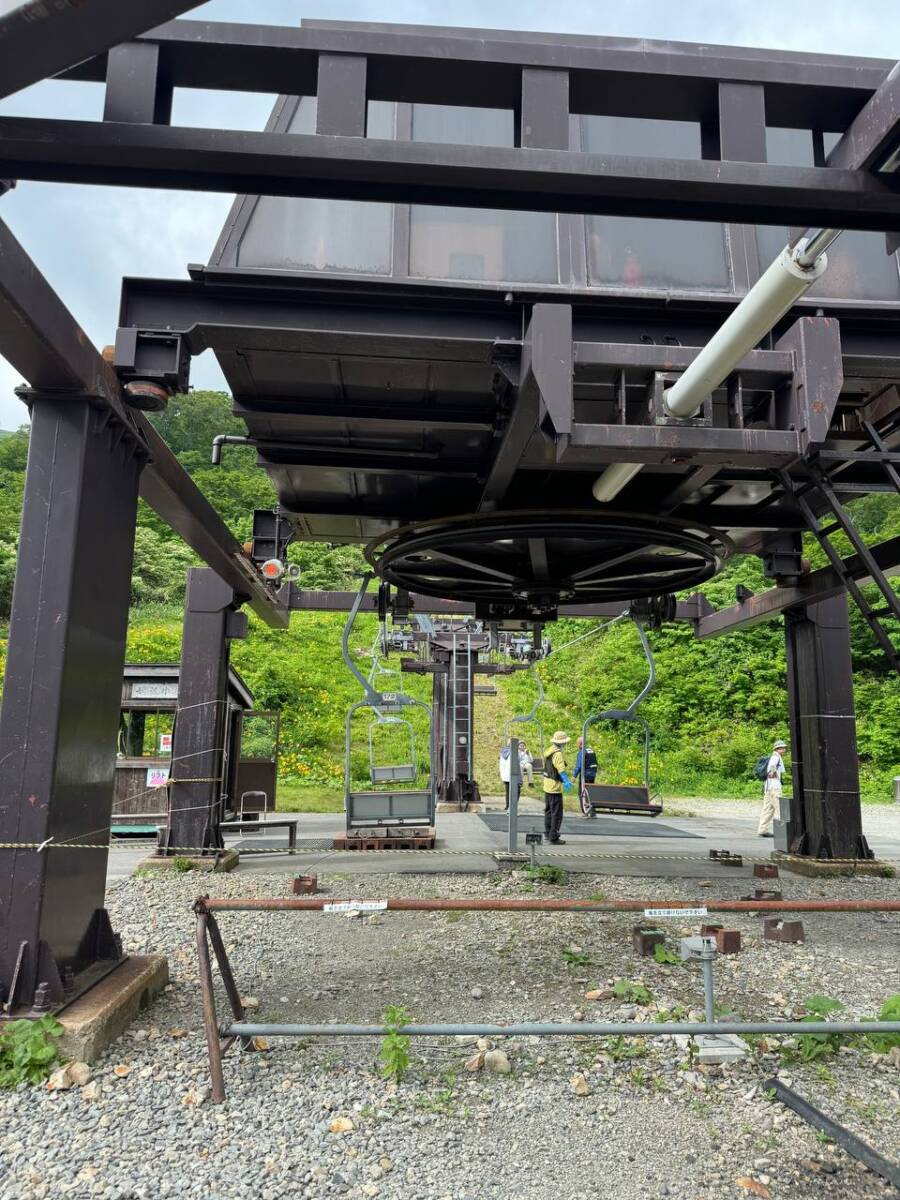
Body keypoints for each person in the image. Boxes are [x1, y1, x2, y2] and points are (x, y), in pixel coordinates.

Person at [542, 730, 574, 845]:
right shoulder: (558, 754)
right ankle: (554, 836)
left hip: (547, 785)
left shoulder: (550, 750)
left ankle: (547, 832)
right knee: (557, 813)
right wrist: (566, 781)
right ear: (563, 743)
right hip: (555, 787)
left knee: (548, 811)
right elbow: (561, 770)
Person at [758, 738, 787, 837]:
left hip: (768, 787)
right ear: (778, 749)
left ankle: (762, 830)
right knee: (779, 809)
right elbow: (772, 767)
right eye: (782, 748)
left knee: (767, 809)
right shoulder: (776, 757)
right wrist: (772, 773)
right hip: (774, 787)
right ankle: (781, 832)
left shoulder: (773, 756)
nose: (784, 750)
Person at [499, 739, 534, 810]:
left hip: (506, 777)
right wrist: (520, 780)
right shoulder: (514, 753)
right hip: (513, 776)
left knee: (508, 792)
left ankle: (508, 806)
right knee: (517, 791)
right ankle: (512, 807)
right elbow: (516, 766)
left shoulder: (503, 752)